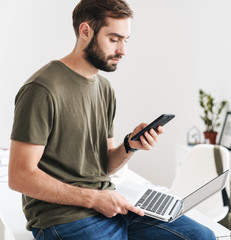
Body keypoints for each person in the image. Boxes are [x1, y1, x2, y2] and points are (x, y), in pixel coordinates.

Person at [8, 0, 216, 239]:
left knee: (203, 236)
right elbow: (20, 176)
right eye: (114, 39)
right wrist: (94, 198)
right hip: (64, 219)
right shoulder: (42, 89)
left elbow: (103, 166)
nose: (122, 50)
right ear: (85, 31)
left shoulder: (104, 89)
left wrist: (129, 146)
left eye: (125, 40)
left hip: (111, 206)